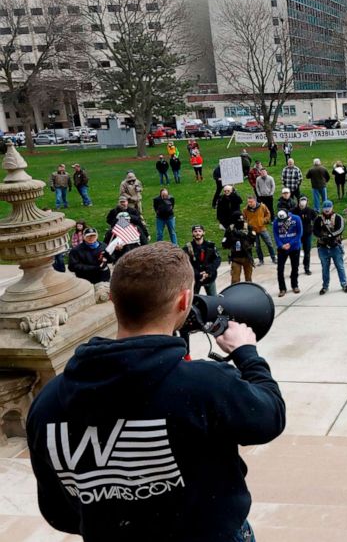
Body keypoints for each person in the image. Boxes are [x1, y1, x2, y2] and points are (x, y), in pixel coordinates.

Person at [26, 243, 285, 542]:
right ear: (184, 300)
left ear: (113, 299)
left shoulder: (47, 402)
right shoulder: (206, 385)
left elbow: (59, 512)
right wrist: (247, 354)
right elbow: (269, 417)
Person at [314, 200, 347, 295]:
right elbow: (315, 230)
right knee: (325, 268)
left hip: (335, 246)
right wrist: (321, 236)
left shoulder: (338, 217)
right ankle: (325, 286)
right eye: (325, 208)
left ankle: (344, 284)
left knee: (340, 267)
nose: (327, 210)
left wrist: (330, 236)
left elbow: (340, 229)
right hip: (323, 247)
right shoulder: (318, 219)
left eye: (328, 208)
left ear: (332, 208)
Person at [184, 224, 220, 296]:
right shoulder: (188, 248)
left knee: (213, 299)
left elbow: (217, 259)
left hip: (209, 276)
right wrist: (197, 274)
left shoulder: (211, 245)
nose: (197, 233)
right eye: (195, 231)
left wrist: (208, 271)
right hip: (195, 278)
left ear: (203, 232)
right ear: (192, 233)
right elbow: (185, 263)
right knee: (192, 301)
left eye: (200, 231)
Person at [274, 208, 303, 297]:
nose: (282, 221)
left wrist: (290, 243)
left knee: (295, 267)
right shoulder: (276, 221)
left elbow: (299, 233)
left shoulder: (296, 219)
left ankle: (294, 285)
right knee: (280, 269)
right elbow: (276, 235)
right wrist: (281, 245)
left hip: (294, 247)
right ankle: (282, 288)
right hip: (282, 248)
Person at [222, 213, 256, 284]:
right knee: (235, 280)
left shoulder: (248, 228)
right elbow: (224, 244)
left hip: (247, 257)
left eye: (242, 219)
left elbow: (253, 240)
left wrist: (246, 235)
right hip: (236, 258)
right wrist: (232, 237)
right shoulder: (230, 230)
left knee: (249, 279)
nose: (241, 222)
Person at [243, 195, 276, 266]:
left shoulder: (262, 206)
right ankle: (261, 260)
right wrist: (247, 225)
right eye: (248, 202)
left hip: (262, 228)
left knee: (269, 243)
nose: (249, 203)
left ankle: (273, 258)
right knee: (257, 246)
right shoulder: (245, 210)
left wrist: (264, 220)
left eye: (251, 202)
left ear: (255, 201)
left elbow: (268, 214)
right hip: (253, 231)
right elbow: (244, 219)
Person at [292, 195, 317, 275]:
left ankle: (307, 268)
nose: (302, 202)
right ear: (298, 202)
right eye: (301, 200)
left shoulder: (310, 211)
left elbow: (316, 220)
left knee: (307, 252)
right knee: (296, 253)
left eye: (304, 200)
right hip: (297, 235)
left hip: (307, 234)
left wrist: (312, 228)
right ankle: (295, 270)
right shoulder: (294, 211)